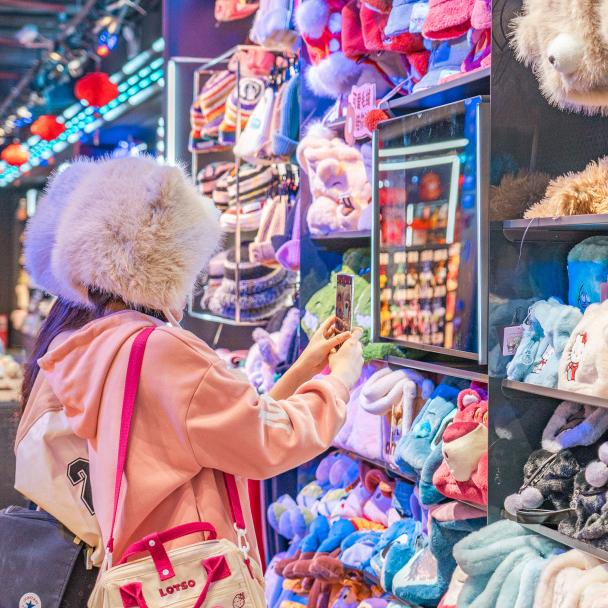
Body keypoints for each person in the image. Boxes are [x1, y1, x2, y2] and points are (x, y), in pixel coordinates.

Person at [16, 155, 363, 573]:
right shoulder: (163, 351)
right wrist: (339, 380)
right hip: (191, 573)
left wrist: (303, 369)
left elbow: (227, 427)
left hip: (136, 569)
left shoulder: (85, 346)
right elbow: (267, 441)